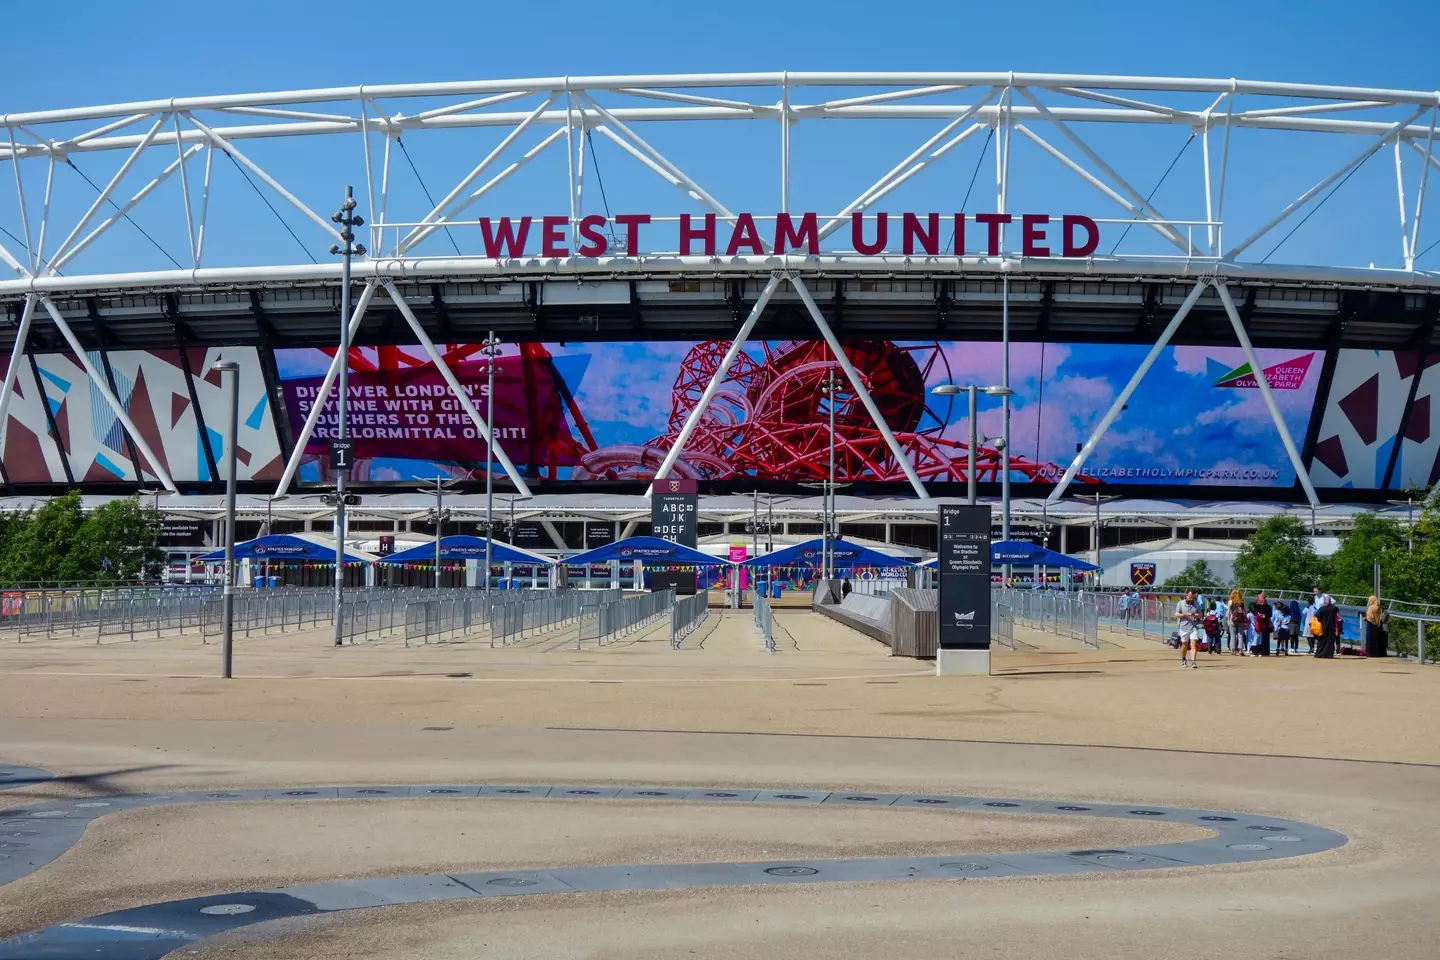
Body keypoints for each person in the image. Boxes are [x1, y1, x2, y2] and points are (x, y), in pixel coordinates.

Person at [1175, 589, 1203, 668]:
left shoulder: (1196, 604)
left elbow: (1201, 614)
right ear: (1186, 595)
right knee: (1185, 644)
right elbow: (1177, 614)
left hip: (1194, 627)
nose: (1191, 599)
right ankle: (1183, 659)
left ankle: (1193, 662)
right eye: (1190, 597)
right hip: (1183, 626)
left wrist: (1198, 615)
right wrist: (1186, 614)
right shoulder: (1180, 603)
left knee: (1193, 644)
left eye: (1193, 598)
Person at [1249, 591, 1274, 656]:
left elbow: (1252, 610)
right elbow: (1270, 615)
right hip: (1265, 624)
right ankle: (1265, 651)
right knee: (1265, 639)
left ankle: (1255, 651)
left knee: (1256, 638)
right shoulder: (1268, 607)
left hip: (1258, 624)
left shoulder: (1254, 605)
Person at [1225, 588, 1246, 654]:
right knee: (1240, 635)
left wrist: (1228, 620)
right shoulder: (1242, 602)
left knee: (1233, 634)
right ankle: (1241, 649)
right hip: (1240, 620)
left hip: (1232, 619)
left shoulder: (1231, 601)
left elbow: (1228, 612)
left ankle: (1233, 649)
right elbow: (1244, 612)